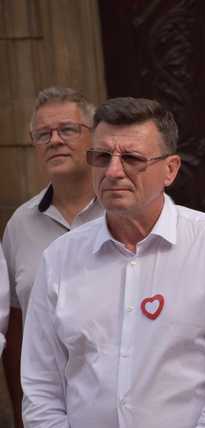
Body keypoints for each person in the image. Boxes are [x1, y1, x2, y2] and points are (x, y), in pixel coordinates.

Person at [21, 97, 205, 427]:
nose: (114, 171)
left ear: (171, 169)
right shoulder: (60, 258)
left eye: (132, 158)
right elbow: (40, 387)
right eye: (102, 157)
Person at [1, 86, 103, 428]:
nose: (54, 140)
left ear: (95, 136)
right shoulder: (20, 224)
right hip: (48, 411)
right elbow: (16, 324)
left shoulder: (126, 213)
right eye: (43, 134)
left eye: (67, 130)